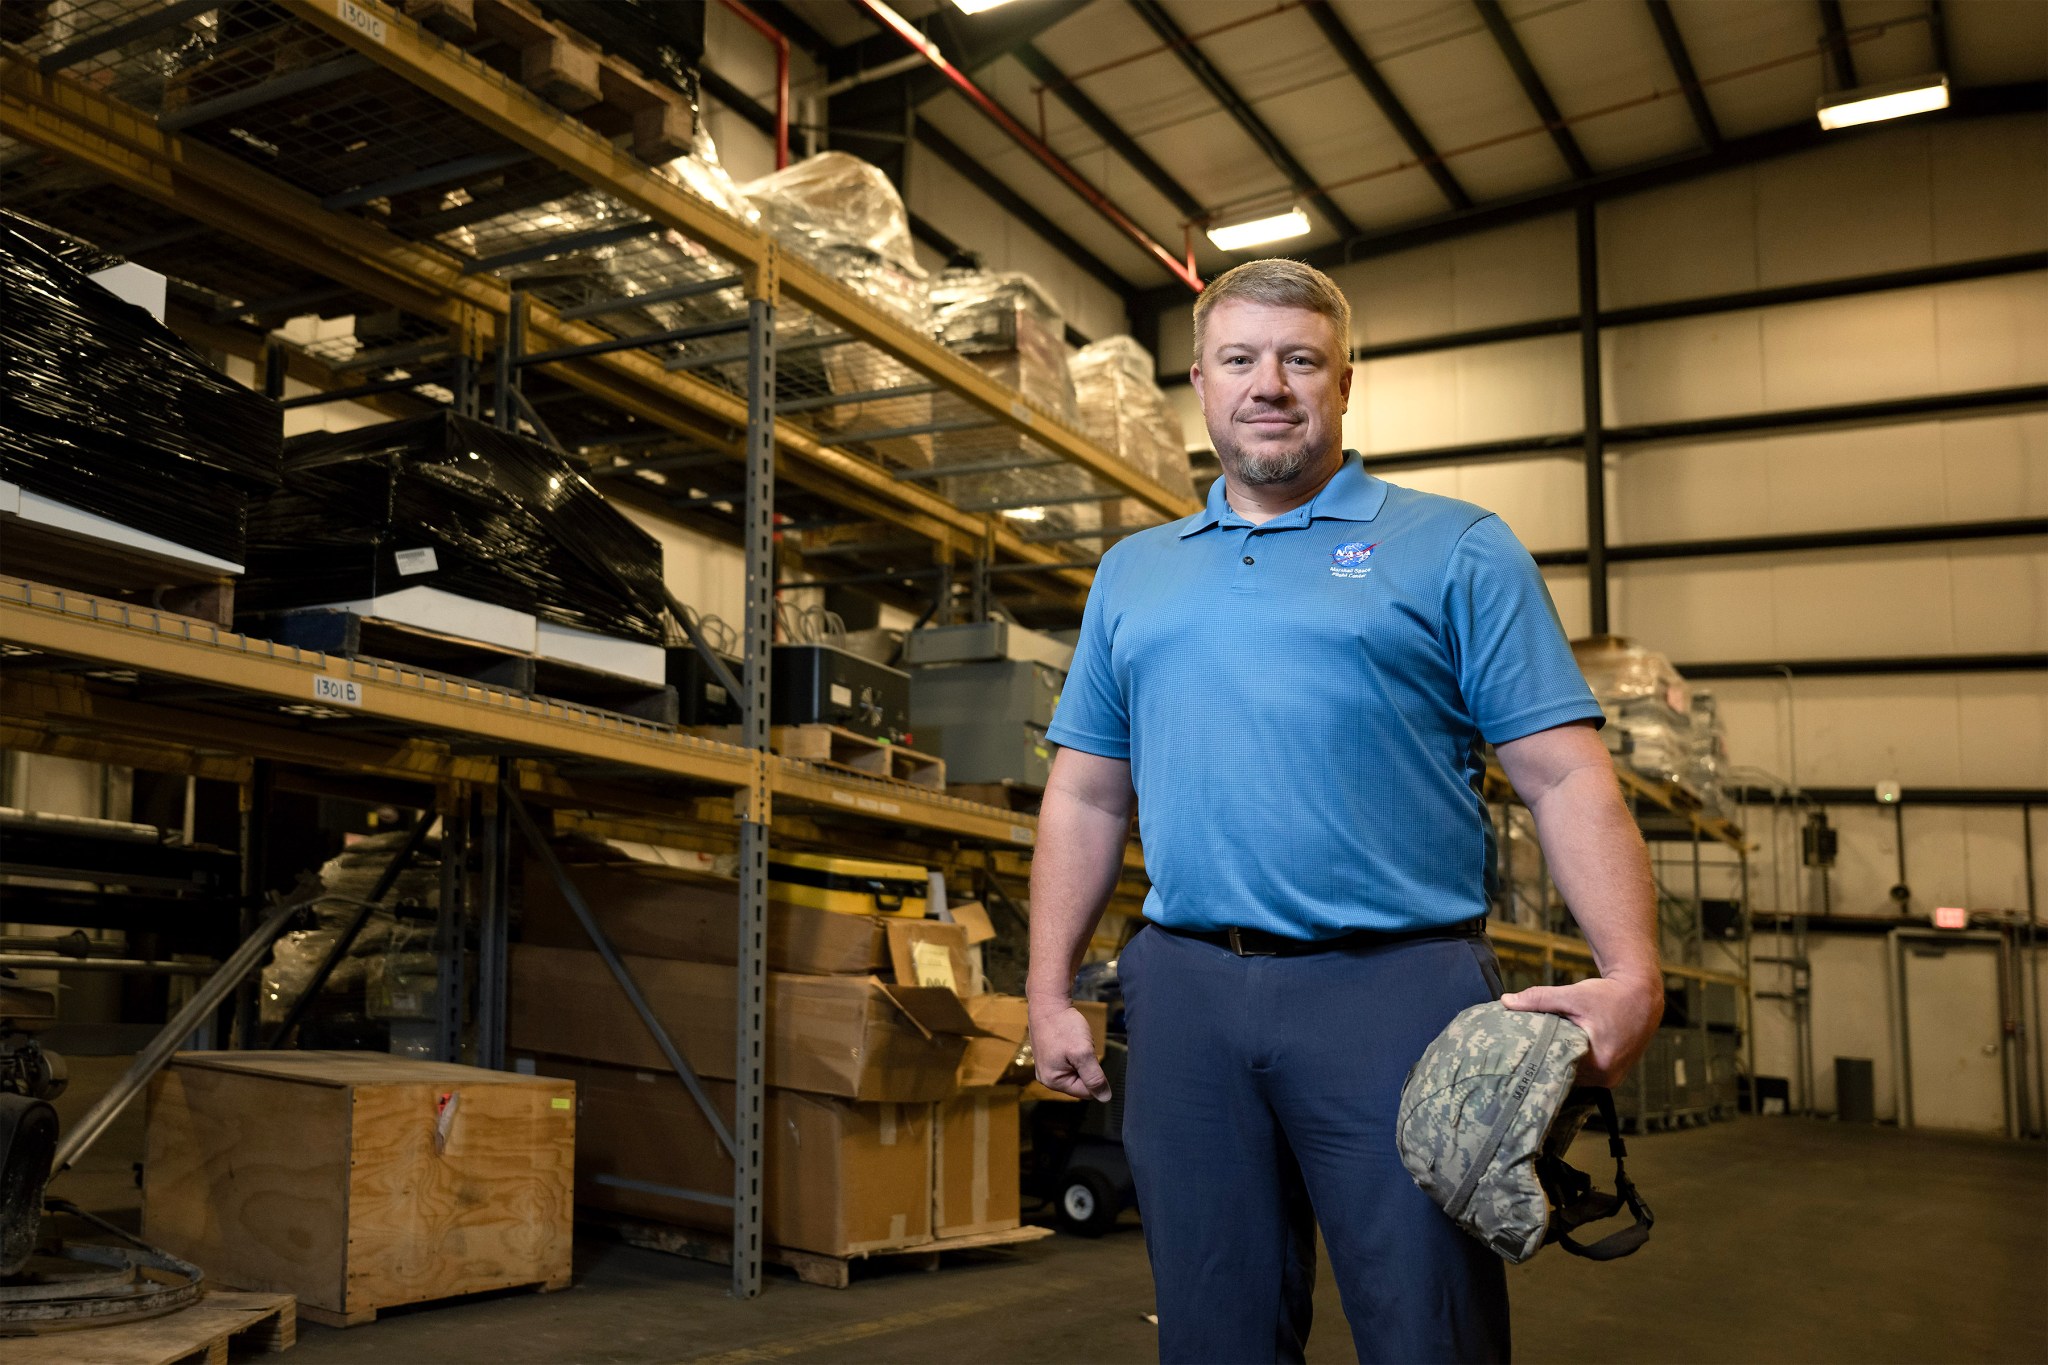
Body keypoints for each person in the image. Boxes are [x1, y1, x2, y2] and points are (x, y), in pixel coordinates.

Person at [1027, 258, 1665, 1365]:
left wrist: (1631, 974)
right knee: (1212, 1328)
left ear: (1341, 380)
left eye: (1297, 359)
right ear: (1199, 380)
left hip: (1397, 995)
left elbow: (1562, 776)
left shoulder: (1455, 546)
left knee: (1427, 1326)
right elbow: (1084, 790)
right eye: (1239, 359)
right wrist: (1044, 989)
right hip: (1185, 996)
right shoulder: (1133, 574)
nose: (1267, 383)